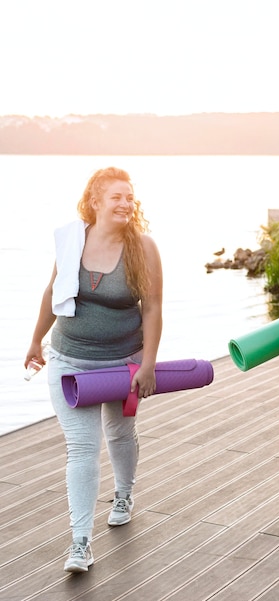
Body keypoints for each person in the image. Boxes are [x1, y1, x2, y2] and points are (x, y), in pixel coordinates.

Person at [25, 167, 163, 573]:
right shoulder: (72, 239)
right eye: (116, 196)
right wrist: (36, 340)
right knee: (82, 449)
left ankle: (123, 494)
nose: (125, 204)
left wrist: (149, 364)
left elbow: (153, 308)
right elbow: (53, 290)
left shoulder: (144, 247)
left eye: (129, 197)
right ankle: (80, 542)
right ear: (95, 201)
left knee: (120, 433)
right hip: (69, 360)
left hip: (123, 363)